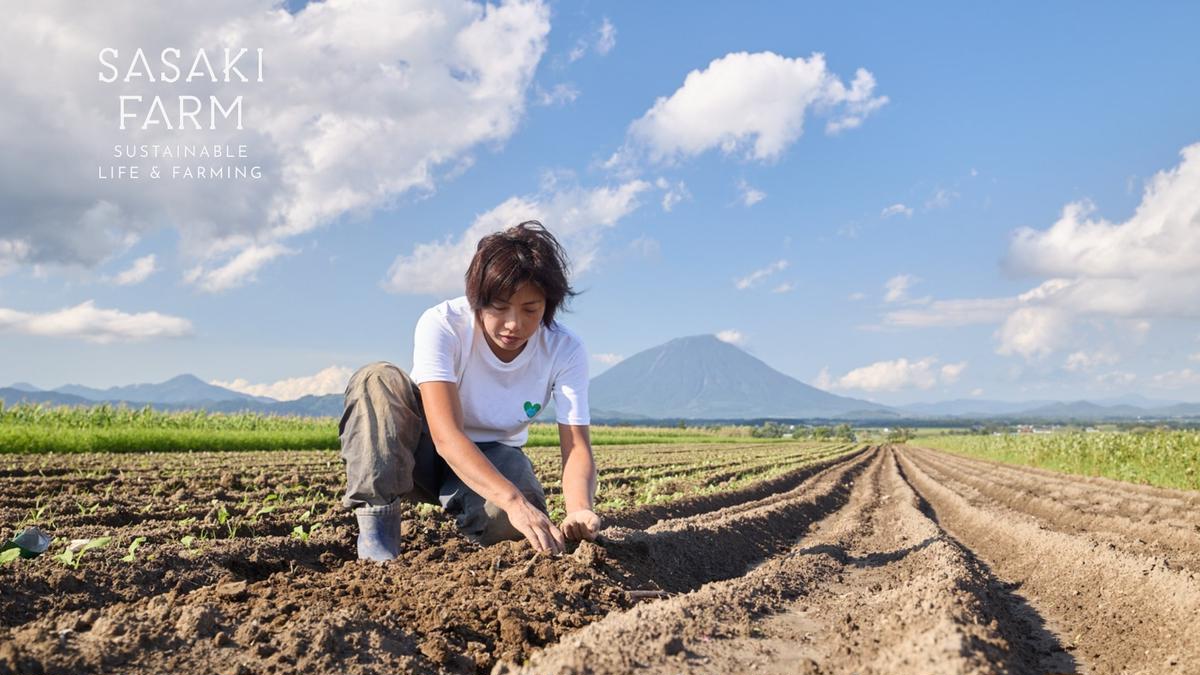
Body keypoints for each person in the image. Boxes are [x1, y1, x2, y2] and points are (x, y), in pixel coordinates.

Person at [338, 220, 602, 561]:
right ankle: (378, 544)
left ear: (548, 304)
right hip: (422, 446)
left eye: (530, 310)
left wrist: (579, 508)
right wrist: (512, 501)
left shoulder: (565, 349)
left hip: (495, 453)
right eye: (499, 307)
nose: (513, 324)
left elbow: (577, 446)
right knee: (376, 380)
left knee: (517, 530)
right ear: (477, 298)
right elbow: (446, 435)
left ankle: (478, 521)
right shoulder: (444, 324)